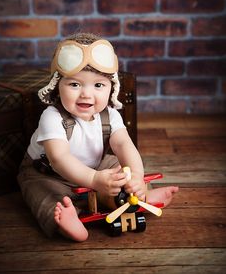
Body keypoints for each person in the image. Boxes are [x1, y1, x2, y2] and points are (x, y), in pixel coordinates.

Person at [17, 33, 178, 242]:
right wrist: (94, 180)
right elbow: (59, 158)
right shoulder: (52, 116)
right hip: (48, 173)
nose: (86, 94)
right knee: (47, 196)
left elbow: (123, 144)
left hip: (96, 165)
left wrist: (136, 174)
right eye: (75, 84)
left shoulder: (109, 115)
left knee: (121, 172)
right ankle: (66, 220)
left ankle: (140, 195)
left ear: (112, 88)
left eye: (98, 85)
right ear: (57, 85)